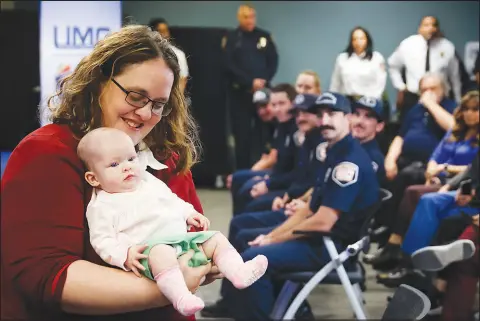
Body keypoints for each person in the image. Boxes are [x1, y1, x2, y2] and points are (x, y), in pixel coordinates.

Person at [1, 25, 218, 321]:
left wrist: (206, 256)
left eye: (158, 104)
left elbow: (194, 237)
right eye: (135, 96)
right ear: (99, 82)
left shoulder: (167, 157)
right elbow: (46, 275)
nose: (145, 114)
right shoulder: (47, 153)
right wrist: (170, 286)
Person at [224, 92, 380, 320]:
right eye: (321, 114)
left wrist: (274, 239)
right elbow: (309, 209)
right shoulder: (335, 152)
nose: (324, 120)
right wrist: (271, 236)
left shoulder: (348, 163)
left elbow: (324, 221)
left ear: (348, 118)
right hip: (318, 239)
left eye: (332, 114)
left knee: (252, 259)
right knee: (250, 242)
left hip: (330, 247)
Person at [79, 128, 268, 316]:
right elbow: (102, 239)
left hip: (181, 241)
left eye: (131, 159)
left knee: (215, 239)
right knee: (161, 253)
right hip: (150, 252)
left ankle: (238, 272)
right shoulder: (102, 205)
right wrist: (124, 254)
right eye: (114, 164)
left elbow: (172, 200)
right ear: (93, 178)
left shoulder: (147, 181)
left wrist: (189, 213)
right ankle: (181, 297)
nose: (127, 167)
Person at [369, 90, 479, 271]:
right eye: (466, 109)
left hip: (458, 183)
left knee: (414, 193)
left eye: (475, 110)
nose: (469, 114)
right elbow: (436, 156)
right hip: (443, 179)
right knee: (411, 185)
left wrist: (445, 170)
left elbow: (471, 170)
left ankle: (400, 252)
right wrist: (433, 171)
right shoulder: (456, 131)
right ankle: (404, 255)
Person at [224, 4, 279, 170]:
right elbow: (228, 65)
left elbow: (273, 61)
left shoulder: (264, 37)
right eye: (246, 17)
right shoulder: (233, 38)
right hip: (241, 94)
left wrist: (263, 80)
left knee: (264, 133)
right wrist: (250, 82)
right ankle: (242, 172)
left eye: (253, 16)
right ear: (240, 18)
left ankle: (263, 169)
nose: (250, 20)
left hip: (263, 94)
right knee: (242, 135)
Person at [232, 84, 297, 215]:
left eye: (282, 103)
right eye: (274, 105)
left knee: (247, 192)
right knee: (238, 179)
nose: (277, 109)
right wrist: (268, 178)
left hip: (289, 184)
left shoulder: (296, 129)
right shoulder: (281, 125)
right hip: (278, 175)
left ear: (293, 103)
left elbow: (296, 171)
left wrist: (268, 183)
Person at [388, 16, 461, 121]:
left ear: (437, 28)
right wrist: (401, 87)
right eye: (426, 25)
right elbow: (393, 66)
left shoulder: (447, 46)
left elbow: (455, 77)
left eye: (433, 25)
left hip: (439, 98)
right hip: (413, 96)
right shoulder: (408, 44)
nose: (430, 28)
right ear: (420, 28)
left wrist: (458, 102)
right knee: (410, 127)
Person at [330, 26, 387, 100]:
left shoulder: (376, 58)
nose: (358, 42)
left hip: (370, 100)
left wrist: (372, 99)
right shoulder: (342, 58)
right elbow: (335, 83)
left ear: (367, 40)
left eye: (361, 38)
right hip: (348, 100)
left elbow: (380, 82)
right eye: (355, 39)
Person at [149, 18, 189, 93]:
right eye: (160, 31)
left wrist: (177, 101)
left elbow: (182, 79)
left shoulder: (178, 54)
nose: (165, 34)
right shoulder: (146, 53)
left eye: (166, 30)